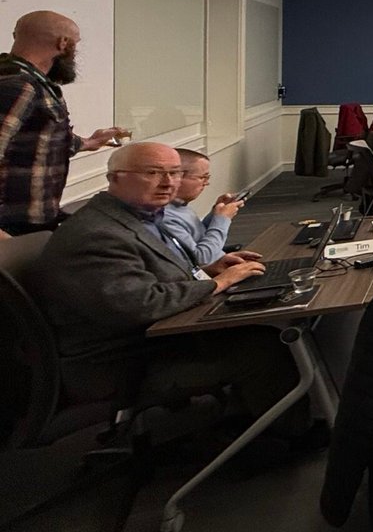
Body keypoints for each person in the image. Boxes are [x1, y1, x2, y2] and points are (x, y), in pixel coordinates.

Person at [33, 142, 303, 430]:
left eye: (174, 173)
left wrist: (207, 268)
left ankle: (250, 416)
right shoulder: (97, 234)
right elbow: (143, 303)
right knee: (262, 347)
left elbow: (152, 270)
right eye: (153, 172)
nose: (168, 182)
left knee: (257, 321)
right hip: (124, 361)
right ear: (115, 177)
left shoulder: (139, 215)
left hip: (151, 339)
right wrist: (219, 283)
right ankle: (283, 437)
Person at [0, 10, 125, 236]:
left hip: (34, 219)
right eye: (75, 45)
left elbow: (34, 141)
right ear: (63, 43)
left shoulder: (33, 82)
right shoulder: (18, 85)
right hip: (12, 228)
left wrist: (88, 142)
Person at [165, 148, 258, 269]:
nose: (206, 183)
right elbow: (202, 259)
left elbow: (199, 237)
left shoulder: (180, 207)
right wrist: (222, 219)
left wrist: (215, 214)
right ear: (178, 177)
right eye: (203, 177)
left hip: (219, 264)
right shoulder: (165, 217)